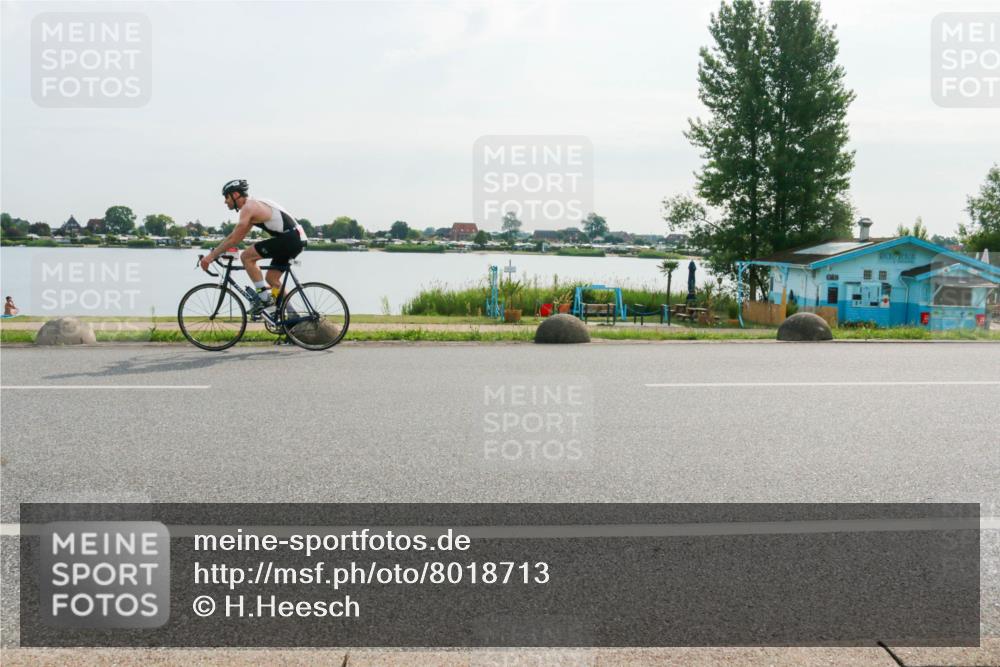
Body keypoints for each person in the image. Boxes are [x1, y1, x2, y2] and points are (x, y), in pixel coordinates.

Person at [201, 179, 307, 312]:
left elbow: (234, 240)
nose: (225, 201)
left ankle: (265, 300)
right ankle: (293, 316)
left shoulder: (249, 208)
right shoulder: (254, 206)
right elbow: (235, 236)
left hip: (290, 238)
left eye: (226, 197)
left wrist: (210, 257)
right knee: (272, 279)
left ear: (235, 195)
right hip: (296, 238)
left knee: (246, 257)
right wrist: (215, 252)